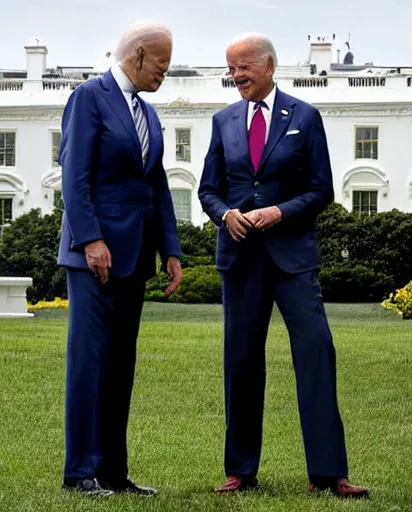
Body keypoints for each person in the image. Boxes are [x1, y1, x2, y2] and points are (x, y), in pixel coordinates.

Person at [198, 32, 369, 499]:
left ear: (270, 66)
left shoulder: (306, 117)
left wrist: (279, 212)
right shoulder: (223, 121)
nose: (236, 76)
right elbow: (208, 189)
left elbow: (321, 190)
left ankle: (329, 474)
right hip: (240, 261)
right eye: (230, 69)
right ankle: (240, 472)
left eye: (243, 67)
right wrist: (225, 215)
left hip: (293, 260)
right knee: (241, 364)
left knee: (316, 353)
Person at [57, 20, 183, 497]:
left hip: (134, 257)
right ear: (137, 57)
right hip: (93, 257)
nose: (163, 76)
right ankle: (79, 473)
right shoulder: (89, 97)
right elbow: (75, 174)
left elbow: (157, 186)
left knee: (119, 366)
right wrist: (90, 239)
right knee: (88, 363)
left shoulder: (148, 116)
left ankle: (113, 472)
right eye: (162, 66)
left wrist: (170, 249)